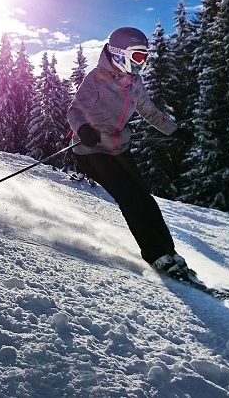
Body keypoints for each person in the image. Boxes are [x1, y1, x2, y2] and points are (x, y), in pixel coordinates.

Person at [67, 27, 189, 277]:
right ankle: (157, 256)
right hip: (91, 150)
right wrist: (84, 129)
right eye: (137, 56)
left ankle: (169, 252)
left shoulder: (135, 83)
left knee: (145, 197)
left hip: (117, 147)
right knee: (130, 198)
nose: (141, 63)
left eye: (145, 57)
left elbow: (150, 112)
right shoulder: (96, 78)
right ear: (119, 54)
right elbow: (74, 111)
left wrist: (175, 131)